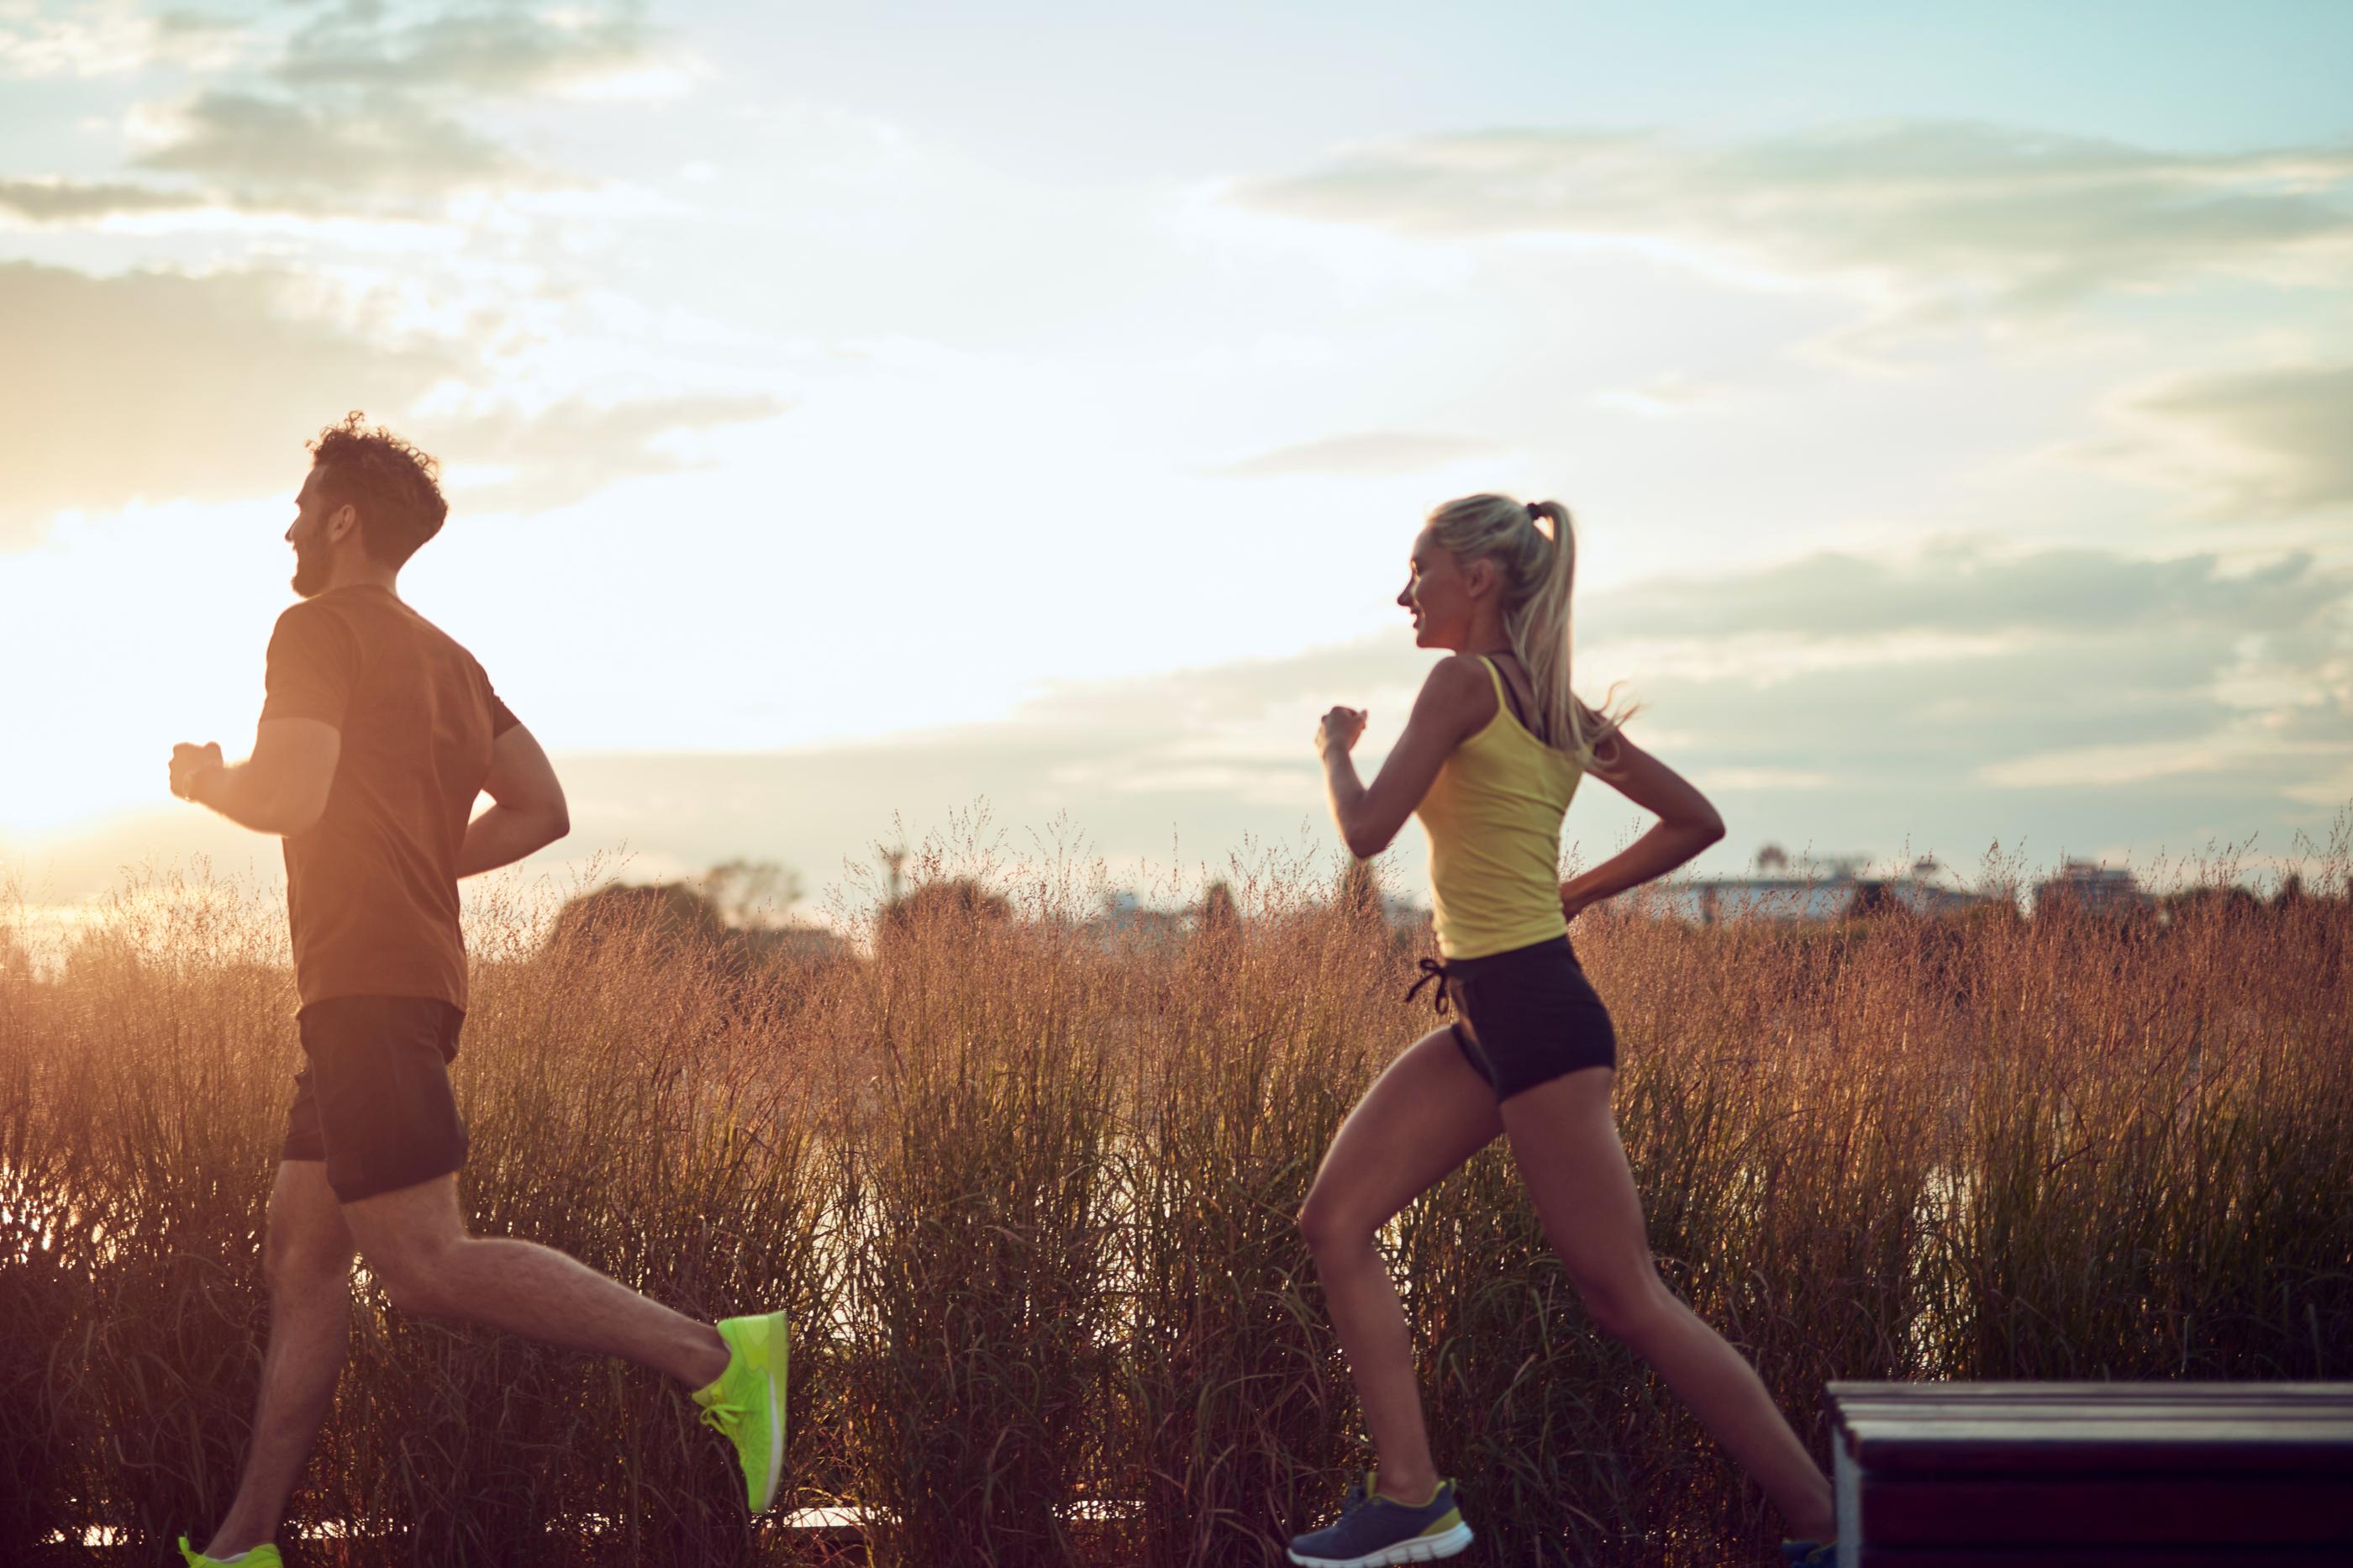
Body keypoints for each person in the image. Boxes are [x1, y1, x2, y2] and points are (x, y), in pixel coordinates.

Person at [166, 414, 787, 1568]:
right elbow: (543, 806)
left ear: (344, 519)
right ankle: (248, 1541)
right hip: (398, 984)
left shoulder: (312, 628)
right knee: (302, 1252)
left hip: (366, 987)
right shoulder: (451, 660)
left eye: (305, 504)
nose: (292, 522)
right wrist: (415, 858)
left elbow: (290, 795)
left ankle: (716, 1355)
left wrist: (209, 781)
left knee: (424, 1259)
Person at [1287, 494, 1835, 1568]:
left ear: (1479, 577)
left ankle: (1825, 1522)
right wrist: (1572, 893)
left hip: (1534, 1013)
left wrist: (1332, 747)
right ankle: (1410, 1497)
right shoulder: (1554, 706)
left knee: (1623, 1292)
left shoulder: (1460, 684)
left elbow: (1364, 834)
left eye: (1419, 570)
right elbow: (1696, 822)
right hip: (1499, 1013)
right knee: (1335, 1220)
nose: (1406, 594)